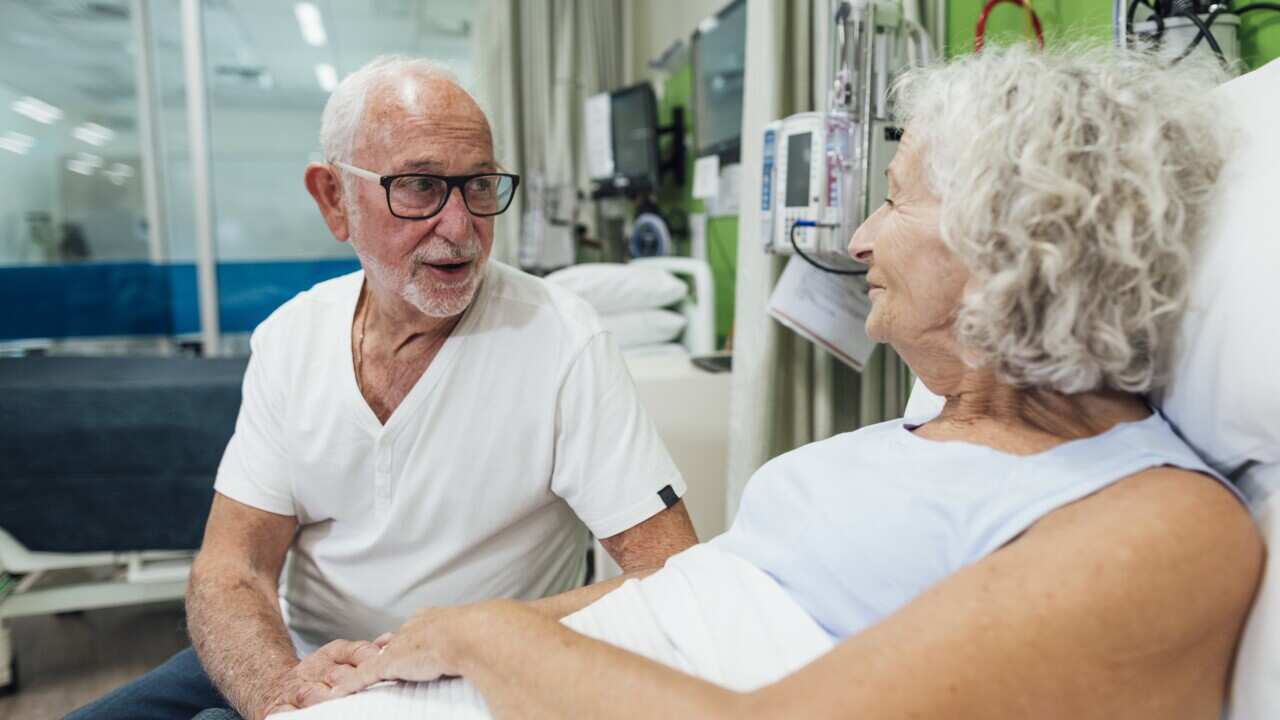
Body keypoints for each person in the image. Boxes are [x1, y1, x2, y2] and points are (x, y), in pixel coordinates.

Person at [284, 45, 1264, 720]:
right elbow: (688, 594)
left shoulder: (1159, 525)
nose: (859, 239)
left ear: (1014, 241)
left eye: (891, 200)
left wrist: (491, 638)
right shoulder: (914, 439)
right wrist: (424, 646)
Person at [68, 56, 697, 720]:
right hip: (298, 657)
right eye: (421, 187)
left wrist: (473, 636)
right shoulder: (292, 340)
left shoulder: (563, 341)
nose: (460, 227)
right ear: (334, 198)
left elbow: (672, 575)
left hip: (457, 679)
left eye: (480, 185)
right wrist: (280, 691)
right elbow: (232, 570)